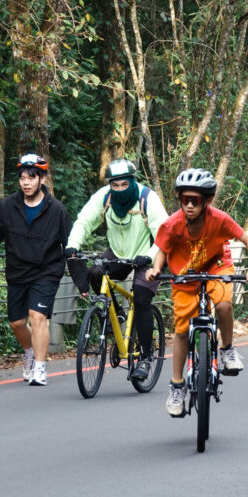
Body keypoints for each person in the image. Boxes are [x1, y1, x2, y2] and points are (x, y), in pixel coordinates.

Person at [145, 169, 248, 417]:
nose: (188, 205)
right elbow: (161, 251)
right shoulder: (172, 224)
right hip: (184, 276)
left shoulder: (219, 219)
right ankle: (177, 387)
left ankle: (228, 348)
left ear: (207, 201)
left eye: (195, 200)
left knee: (222, 305)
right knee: (180, 332)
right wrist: (156, 269)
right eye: (184, 199)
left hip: (216, 265)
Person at [0, 154, 72, 386]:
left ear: (42, 179)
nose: (26, 183)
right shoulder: (8, 206)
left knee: (38, 317)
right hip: (18, 270)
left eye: (31, 178)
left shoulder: (57, 210)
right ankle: (30, 353)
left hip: (47, 270)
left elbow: (70, 244)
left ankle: (40, 369)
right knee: (17, 322)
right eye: (22, 178)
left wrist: (82, 280)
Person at [66, 158, 169, 380]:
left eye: (124, 184)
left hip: (148, 253)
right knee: (95, 273)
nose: (120, 189)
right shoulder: (104, 197)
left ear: (132, 181)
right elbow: (84, 221)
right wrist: (73, 245)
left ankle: (145, 357)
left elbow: (164, 232)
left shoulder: (146, 198)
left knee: (141, 299)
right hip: (118, 252)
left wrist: (149, 256)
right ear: (110, 185)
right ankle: (117, 317)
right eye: (115, 185)